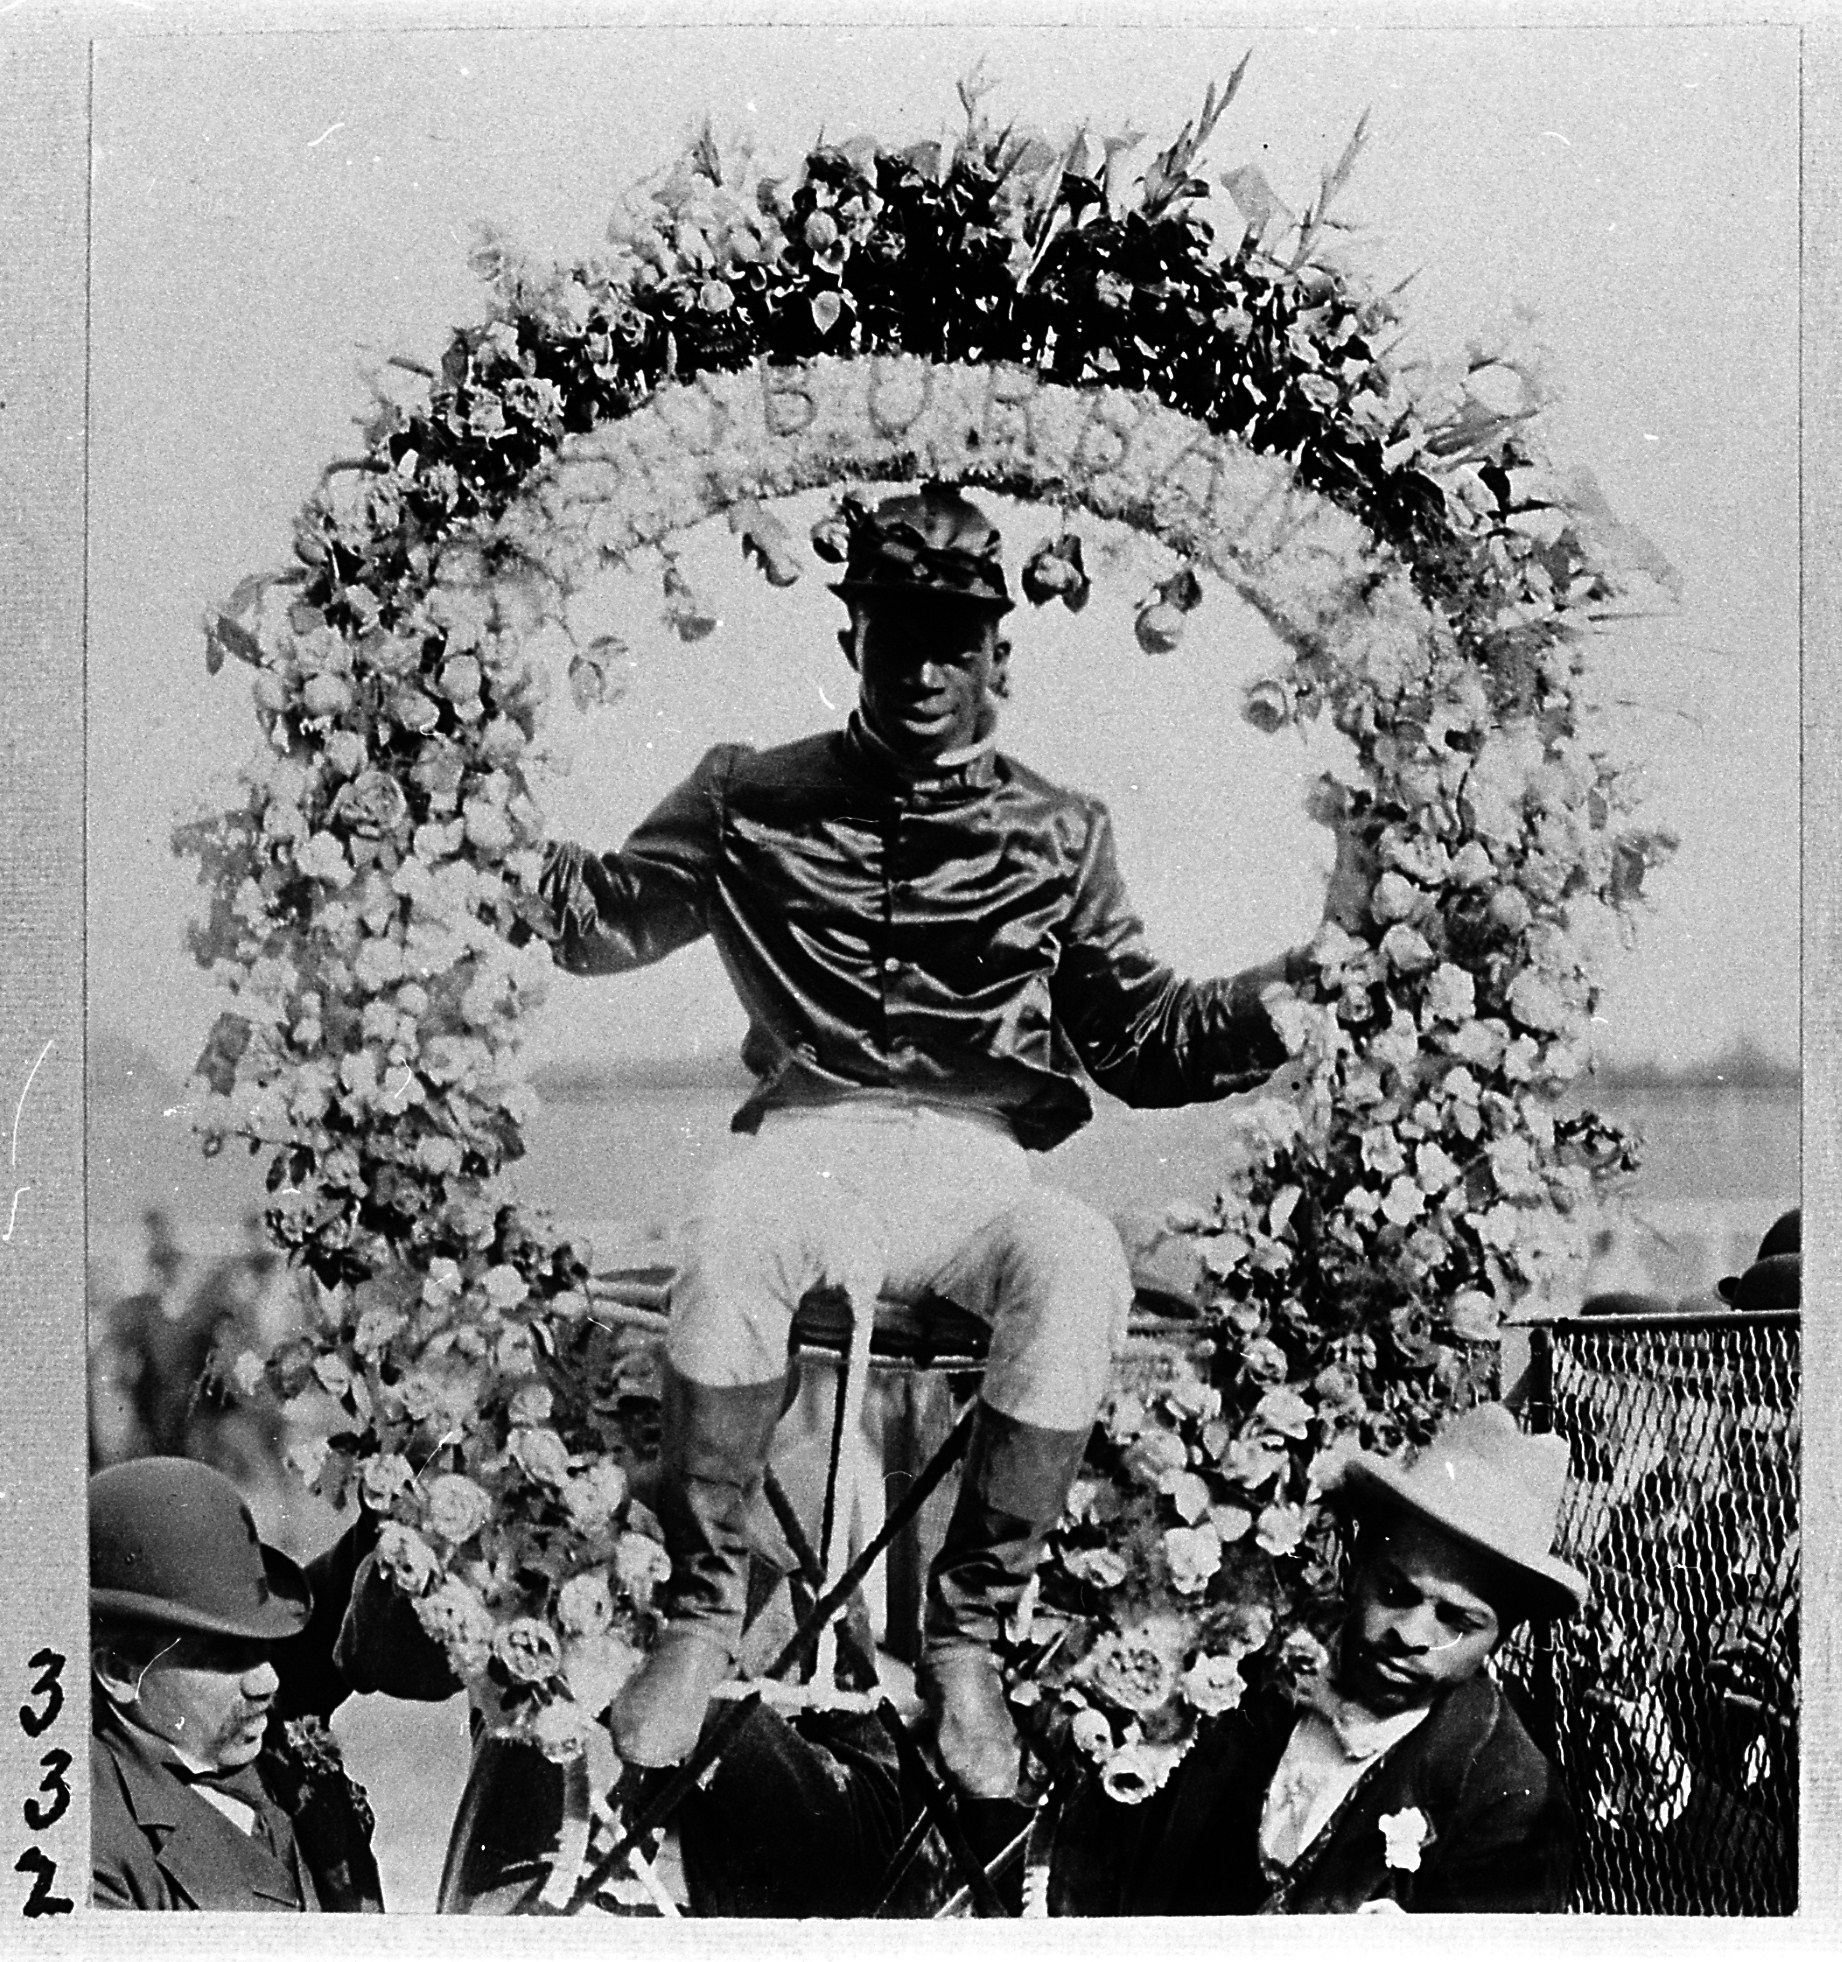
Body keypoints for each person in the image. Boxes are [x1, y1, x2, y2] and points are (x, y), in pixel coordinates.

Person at [535, 483, 1339, 1801]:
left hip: (977, 1169)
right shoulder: (748, 793)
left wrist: (1314, 979)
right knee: (730, 1233)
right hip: (805, 1146)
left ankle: (966, 1634)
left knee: (1076, 1253)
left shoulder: (1059, 829)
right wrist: (453, 831)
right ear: (850, 630)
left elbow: (1139, 1039)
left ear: (997, 660)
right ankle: (700, 1610)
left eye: (951, 643)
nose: (921, 666)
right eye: (895, 633)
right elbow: (601, 920)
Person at [1052, 1402, 1586, 1914]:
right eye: (1396, 1593)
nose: (1410, 1635)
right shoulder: (1250, 1678)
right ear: (1358, 1568)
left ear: (1501, 1636)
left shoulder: (1507, 1799)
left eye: (1455, 1620)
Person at [89, 1456, 383, 1912]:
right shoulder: (87, 1849)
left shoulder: (232, 1707)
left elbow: (374, 1556)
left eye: (266, 1643)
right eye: (225, 1656)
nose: (268, 1680)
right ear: (121, 1672)